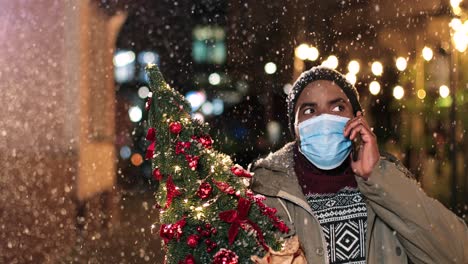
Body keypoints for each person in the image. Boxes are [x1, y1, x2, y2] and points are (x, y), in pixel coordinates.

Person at [249, 66, 468, 263]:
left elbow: (456, 254)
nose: (324, 119)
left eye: (337, 109)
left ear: (357, 118)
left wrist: (377, 176)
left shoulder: (385, 183)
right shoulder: (266, 192)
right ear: (294, 127)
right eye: (309, 111)